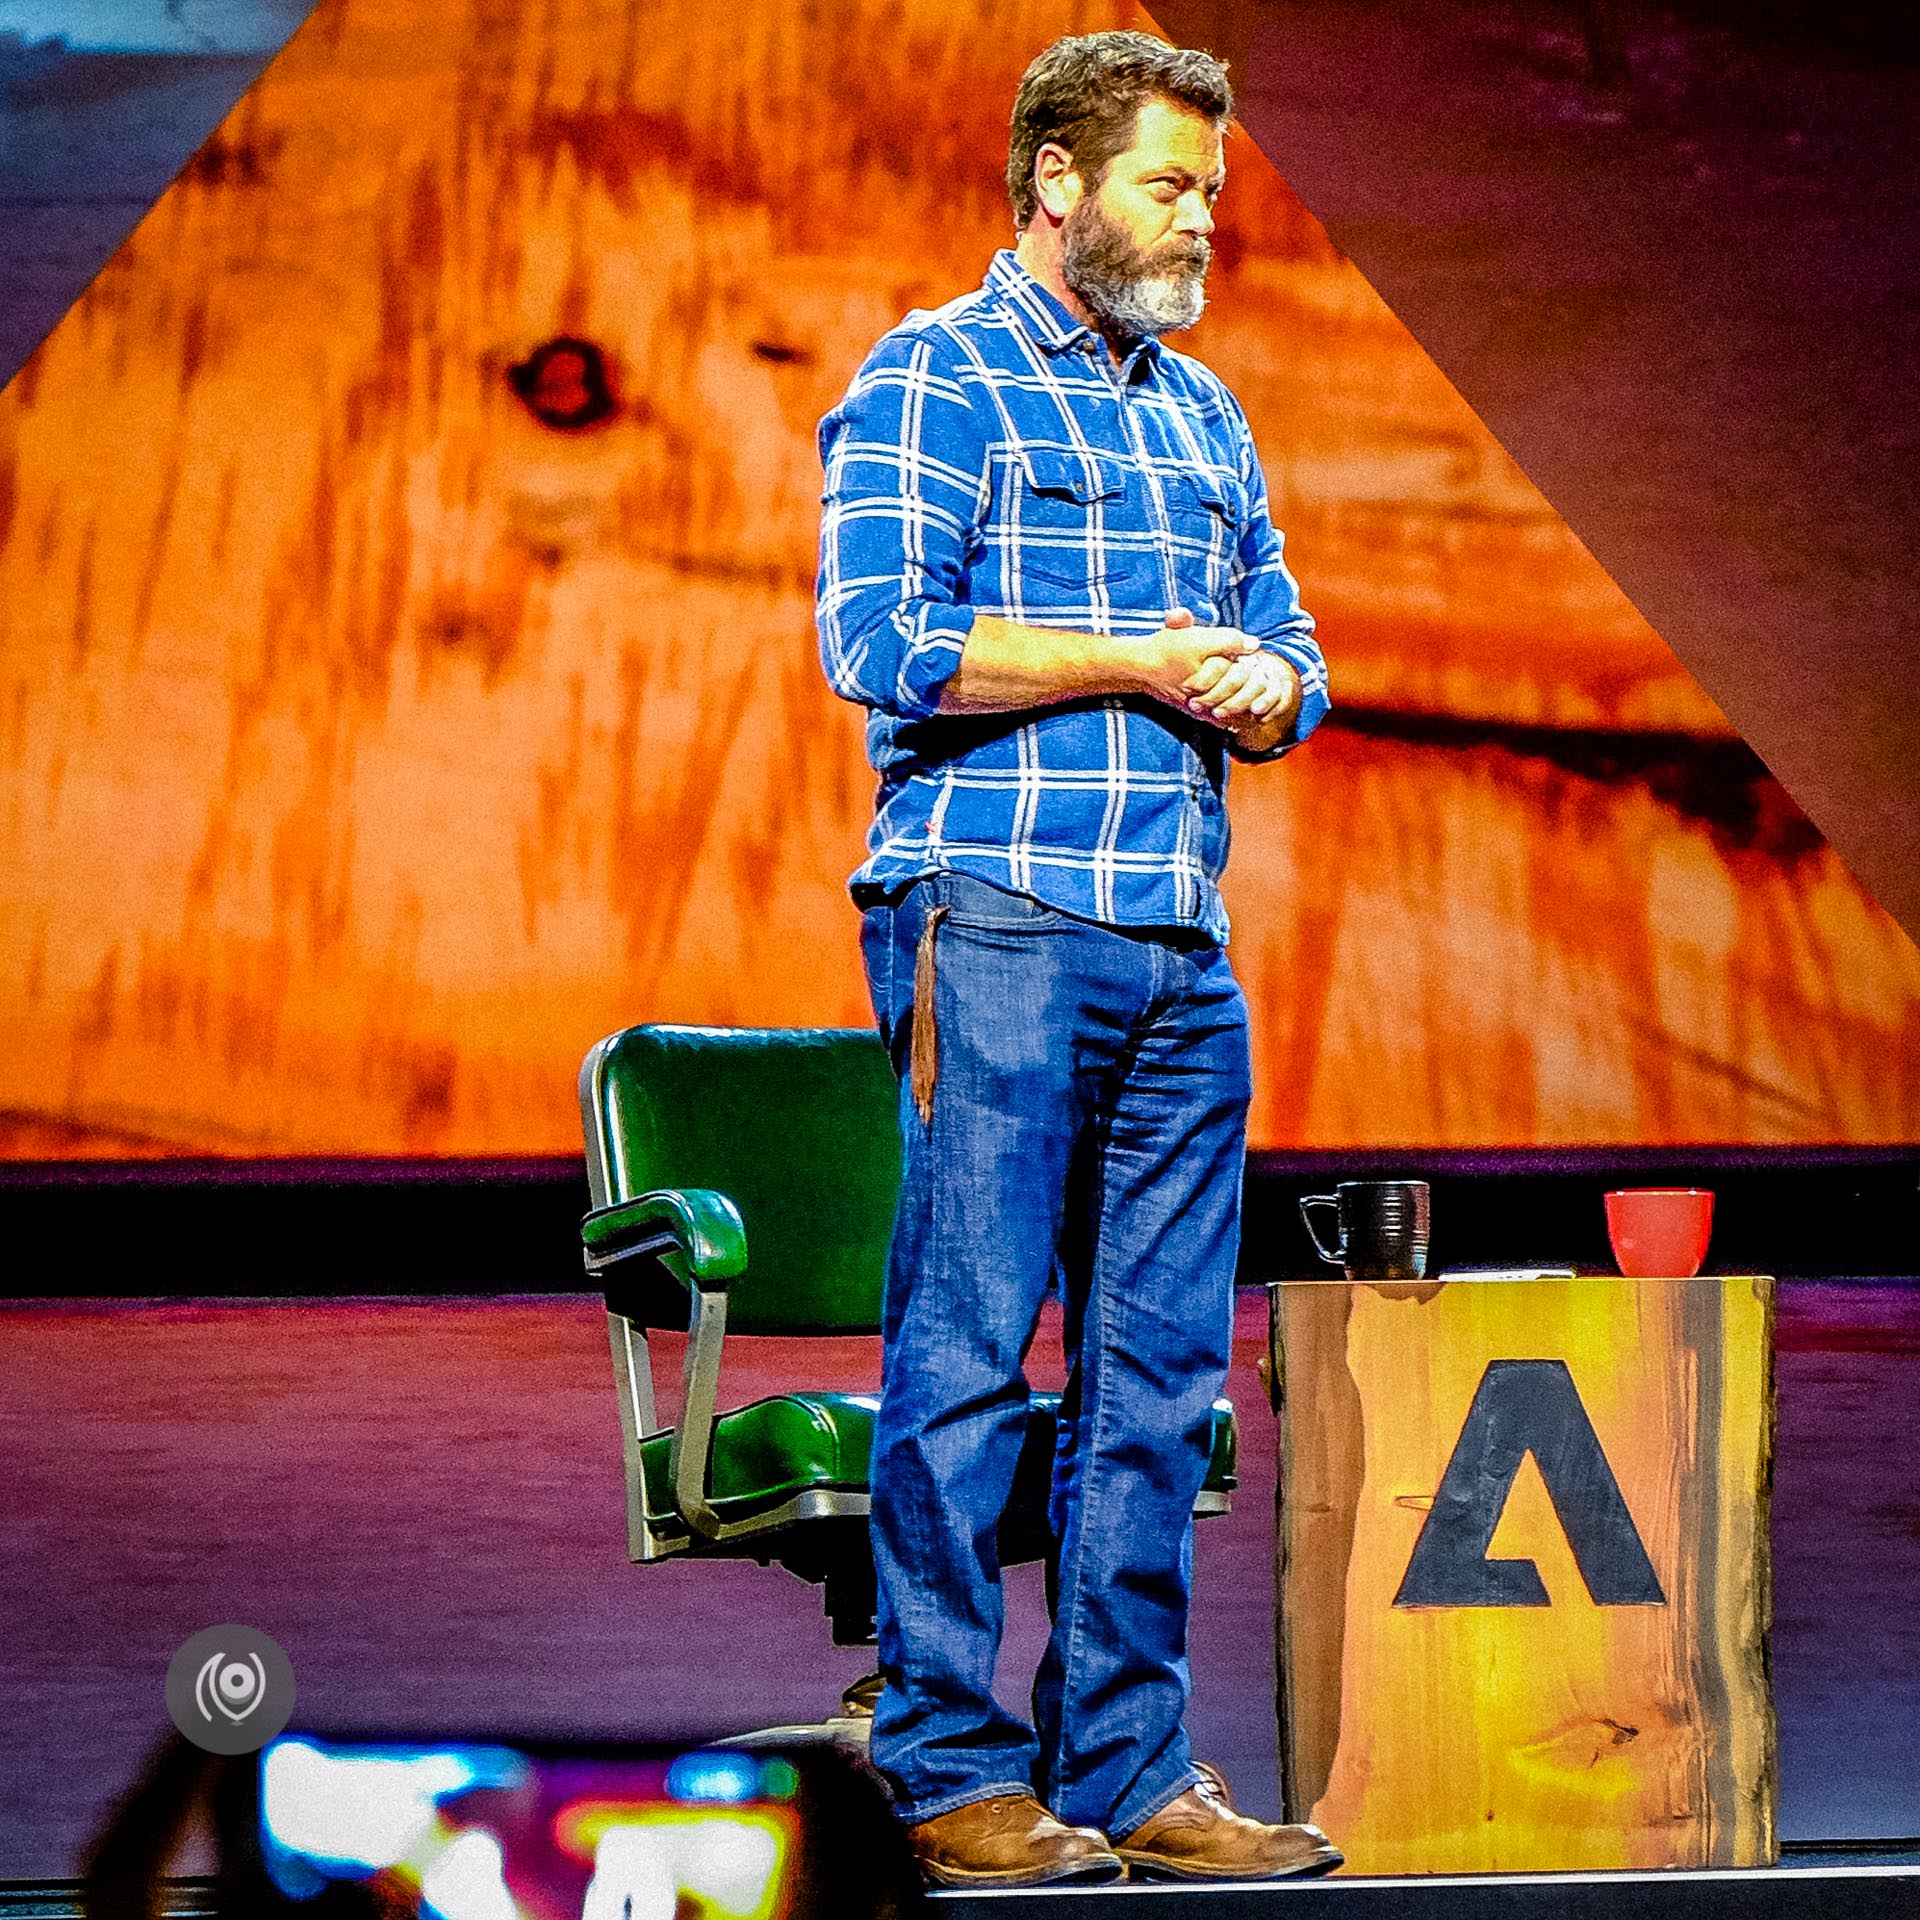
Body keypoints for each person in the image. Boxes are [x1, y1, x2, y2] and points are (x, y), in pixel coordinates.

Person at [814, 30, 1337, 1890]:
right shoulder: (933, 372)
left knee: (1161, 1374)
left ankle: (1128, 1763)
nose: (1205, 219)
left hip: (1180, 940)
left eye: (1215, 189)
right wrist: (1133, 653)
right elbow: (884, 642)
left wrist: (1277, 682)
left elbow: (1280, 630)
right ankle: (947, 1757)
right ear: (1056, 179)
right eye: (1168, 185)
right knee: (966, 1344)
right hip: (1002, 910)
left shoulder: (1204, 409)